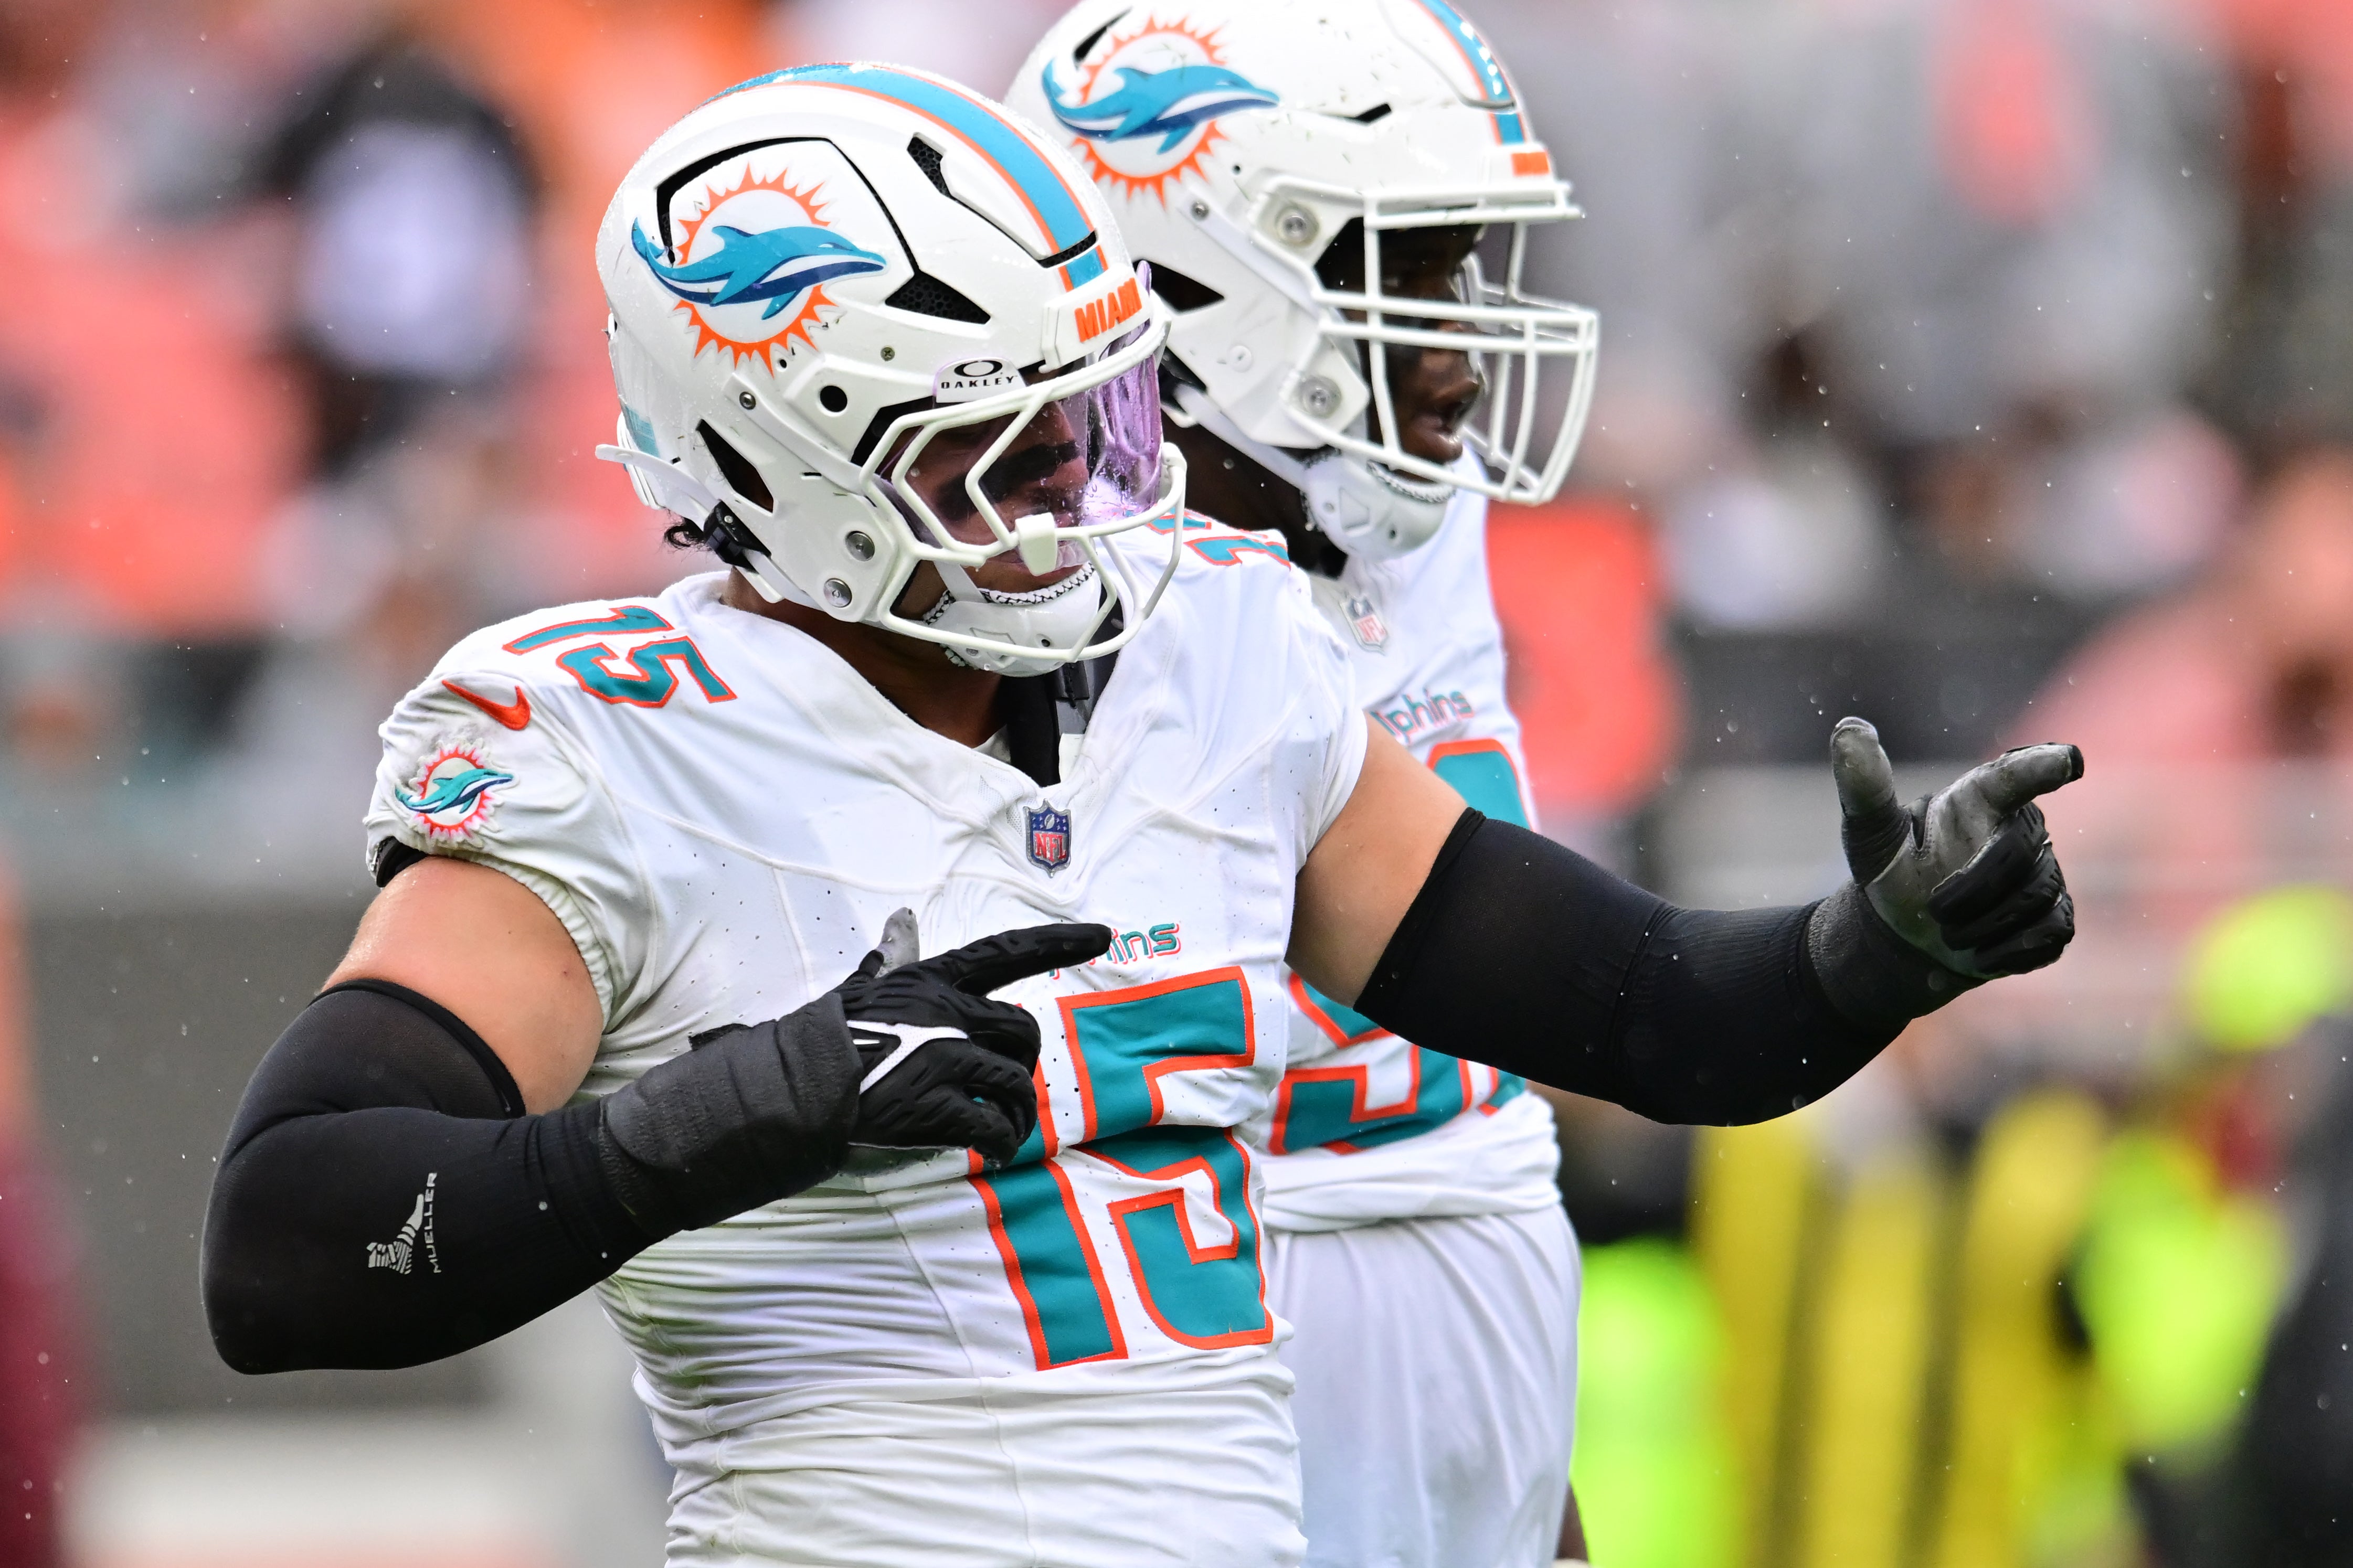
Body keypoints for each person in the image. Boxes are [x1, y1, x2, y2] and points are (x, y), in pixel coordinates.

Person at [200, 63, 2083, 1566]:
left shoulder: (1212, 657)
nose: (1076, 494)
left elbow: (1651, 1016)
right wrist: (729, 1116)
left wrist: (1871, 954)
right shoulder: (615, 747)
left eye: (1091, 421)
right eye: (994, 449)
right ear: (784, 458)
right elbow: (285, 1249)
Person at [1003, 5, 1596, 1562]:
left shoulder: (1415, 518)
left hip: (1473, 1381)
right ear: (1192, 289)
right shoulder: (1019, 608)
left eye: (1460, 270)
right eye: (1397, 275)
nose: (1457, 358)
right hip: (1194, 1402)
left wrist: (1524, 1484)